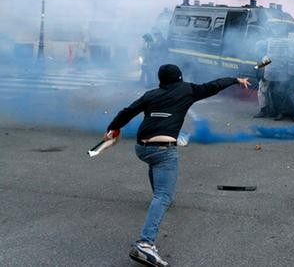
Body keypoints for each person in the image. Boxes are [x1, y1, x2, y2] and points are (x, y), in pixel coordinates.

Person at [103, 64, 250, 267]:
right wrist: (235, 80)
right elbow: (214, 85)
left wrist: (112, 129)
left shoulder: (151, 94)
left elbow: (127, 112)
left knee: (155, 167)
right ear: (179, 78)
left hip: (142, 149)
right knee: (163, 195)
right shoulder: (187, 89)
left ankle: (159, 199)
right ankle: (145, 244)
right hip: (163, 150)